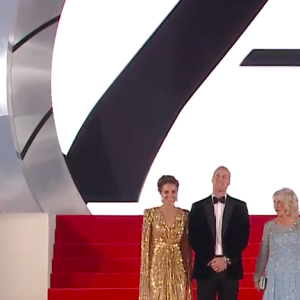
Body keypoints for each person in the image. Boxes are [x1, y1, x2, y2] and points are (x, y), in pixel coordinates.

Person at [188, 166, 250, 300]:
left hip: (230, 269)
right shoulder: (197, 207)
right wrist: (211, 260)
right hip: (205, 268)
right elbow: (194, 237)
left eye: (224, 177)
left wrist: (226, 259)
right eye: (217, 176)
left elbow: (242, 237)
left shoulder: (240, 207)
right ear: (212, 179)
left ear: (229, 181)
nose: (220, 179)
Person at [138, 175, 192, 300]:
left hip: (178, 265)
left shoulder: (184, 215)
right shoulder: (150, 214)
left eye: (173, 192)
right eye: (166, 192)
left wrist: (188, 273)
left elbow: (186, 247)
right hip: (157, 265)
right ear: (160, 193)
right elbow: (145, 247)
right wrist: (145, 277)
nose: (170, 195)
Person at [253, 188, 300, 300]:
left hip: (295, 273)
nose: (276, 206)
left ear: (288, 204)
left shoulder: (298, 226)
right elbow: (263, 253)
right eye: (274, 202)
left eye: (279, 202)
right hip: (274, 274)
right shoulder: (269, 227)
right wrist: (257, 275)